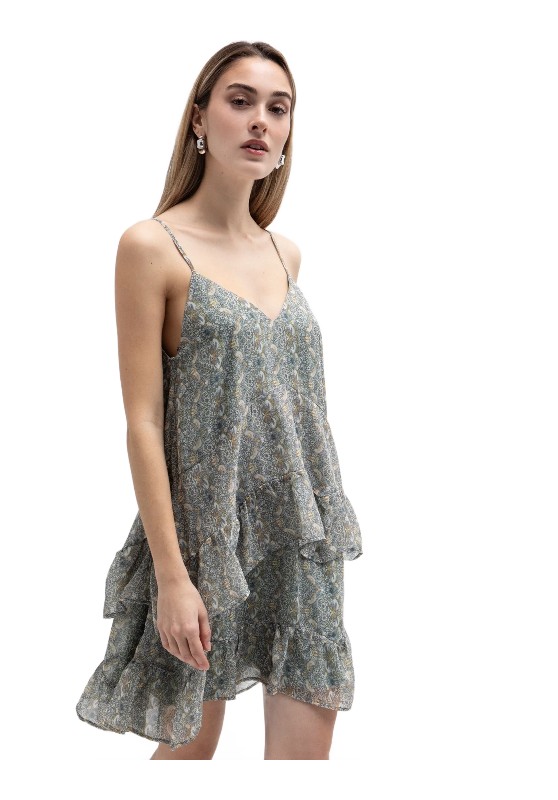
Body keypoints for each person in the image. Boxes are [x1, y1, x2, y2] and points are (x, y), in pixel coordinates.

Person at [75, 40, 363, 760]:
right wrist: (173, 577)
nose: (261, 120)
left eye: (278, 107)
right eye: (241, 101)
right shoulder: (152, 246)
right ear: (199, 118)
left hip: (299, 536)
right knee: (189, 755)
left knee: (305, 761)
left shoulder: (285, 253)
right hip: (205, 544)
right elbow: (143, 422)